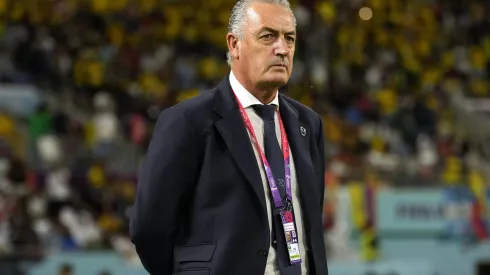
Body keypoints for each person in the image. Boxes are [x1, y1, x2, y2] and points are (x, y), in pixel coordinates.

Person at [130, 0, 329, 274]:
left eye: (289, 38)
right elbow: (149, 228)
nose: (282, 49)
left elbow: (311, 219)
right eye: (268, 36)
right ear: (234, 44)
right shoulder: (188, 121)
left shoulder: (309, 123)